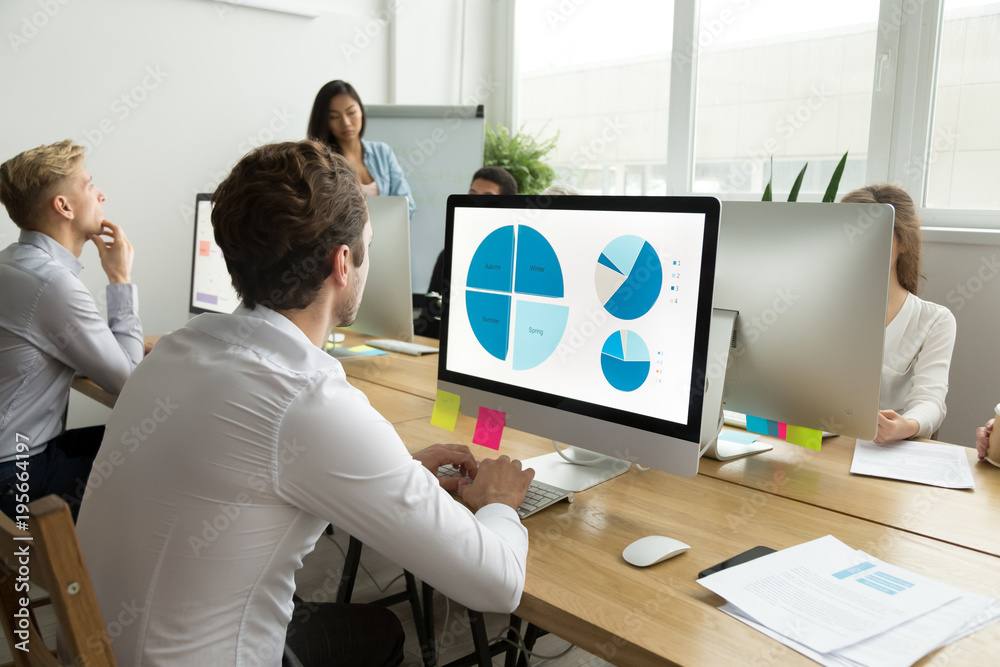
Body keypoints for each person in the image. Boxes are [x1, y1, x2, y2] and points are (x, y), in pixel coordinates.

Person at [76, 141, 533, 667]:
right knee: (381, 634)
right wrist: (497, 500)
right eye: (367, 245)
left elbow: (262, 459)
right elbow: (497, 585)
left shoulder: (177, 347)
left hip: (100, 648)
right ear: (343, 263)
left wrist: (397, 472)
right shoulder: (308, 399)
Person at [0, 140, 143, 520]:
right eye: (90, 185)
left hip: (15, 460)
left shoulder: (12, 264)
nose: (102, 194)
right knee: (160, 449)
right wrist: (120, 278)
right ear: (63, 206)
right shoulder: (51, 284)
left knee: (144, 439)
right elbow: (129, 380)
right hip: (17, 477)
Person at [841, 184, 957, 443]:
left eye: (871, 233)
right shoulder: (826, 311)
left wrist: (908, 425)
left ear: (903, 242)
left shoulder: (935, 321)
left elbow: (930, 401)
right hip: (828, 446)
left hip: (891, 451)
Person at [307, 79, 416, 219]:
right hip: (346, 240)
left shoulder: (382, 152)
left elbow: (408, 207)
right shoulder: (322, 162)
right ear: (324, 121)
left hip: (387, 237)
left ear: (361, 111)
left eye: (351, 112)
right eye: (334, 117)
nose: (346, 123)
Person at [426, 166, 518, 298]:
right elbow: (429, 311)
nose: (476, 203)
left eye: (488, 197)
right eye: (473, 195)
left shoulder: (514, 257)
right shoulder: (449, 254)